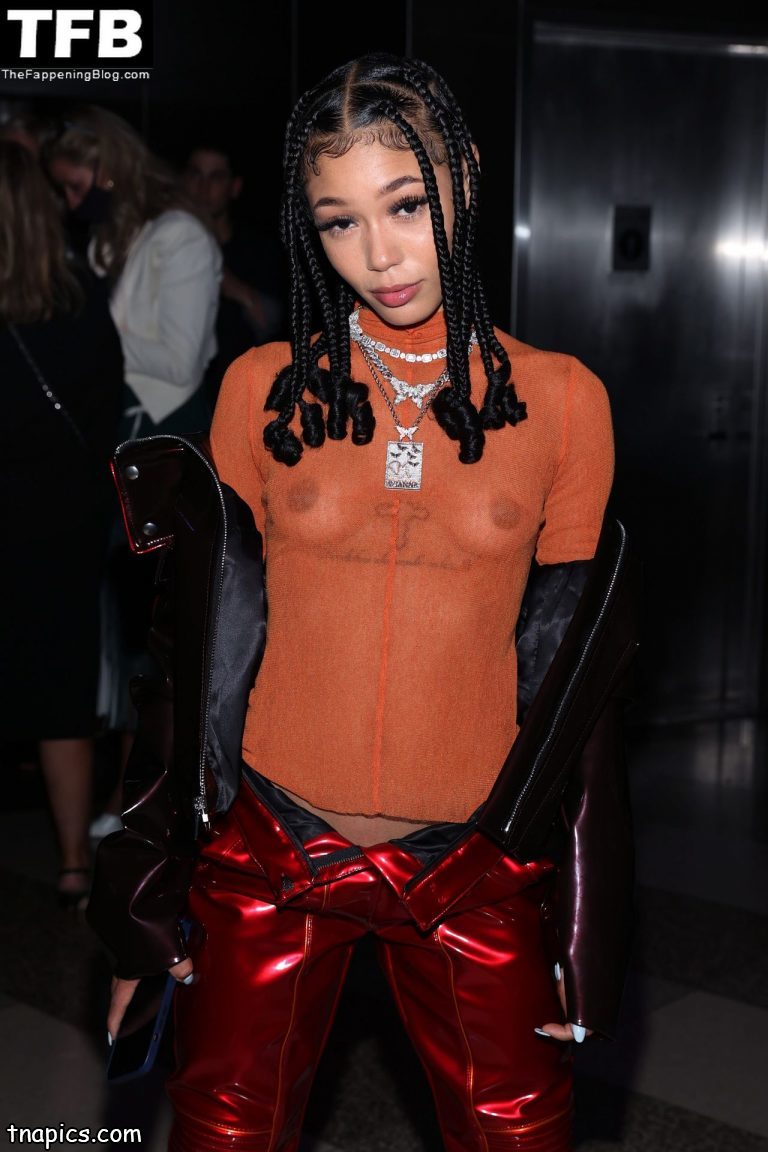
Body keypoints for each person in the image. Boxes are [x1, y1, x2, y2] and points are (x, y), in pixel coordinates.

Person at [87, 53, 639, 1151]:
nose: (378, 255)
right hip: (271, 846)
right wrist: (142, 895)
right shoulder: (260, 388)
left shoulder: (565, 402)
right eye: (339, 222)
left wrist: (584, 925)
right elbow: (191, 657)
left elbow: (577, 689)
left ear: (464, 176)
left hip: (472, 863)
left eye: (406, 205)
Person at [43, 106, 223, 839]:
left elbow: (179, 362)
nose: (71, 200)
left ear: (110, 168)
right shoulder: (114, 237)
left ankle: (142, 809)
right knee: (124, 635)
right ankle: (129, 807)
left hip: (160, 448)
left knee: (155, 639)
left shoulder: (180, 236)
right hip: (118, 441)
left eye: (77, 183)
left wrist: (92, 324)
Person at [0, 140, 123, 908]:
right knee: (61, 695)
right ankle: (75, 862)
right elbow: (106, 410)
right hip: (63, 522)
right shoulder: (80, 297)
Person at [181, 137, 288, 409]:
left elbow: (274, 326)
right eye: (195, 174)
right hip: (178, 398)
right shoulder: (165, 248)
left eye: (215, 177)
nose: (203, 187)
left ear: (234, 187)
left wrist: (227, 282)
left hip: (241, 399)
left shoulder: (259, 250)